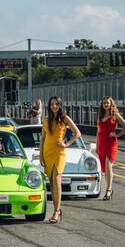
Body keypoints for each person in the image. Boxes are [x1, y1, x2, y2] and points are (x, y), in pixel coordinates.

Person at [40, 96, 81, 224]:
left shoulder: (64, 118)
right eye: (52, 104)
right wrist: (41, 155)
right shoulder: (46, 120)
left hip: (59, 153)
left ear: (60, 105)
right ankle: (56, 209)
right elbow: (43, 138)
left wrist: (67, 144)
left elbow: (77, 133)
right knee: (51, 182)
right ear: (49, 106)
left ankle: (57, 211)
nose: (54, 106)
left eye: (56, 104)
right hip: (47, 153)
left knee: (57, 178)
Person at [96, 96, 125, 201]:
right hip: (101, 142)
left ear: (111, 104)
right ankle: (109, 188)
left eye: (107, 103)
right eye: (104, 103)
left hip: (111, 143)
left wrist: (116, 135)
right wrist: (97, 145)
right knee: (105, 169)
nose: (105, 105)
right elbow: (98, 131)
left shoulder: (115, 115)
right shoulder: (100, 116)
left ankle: (109, 189)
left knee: (108, 164)